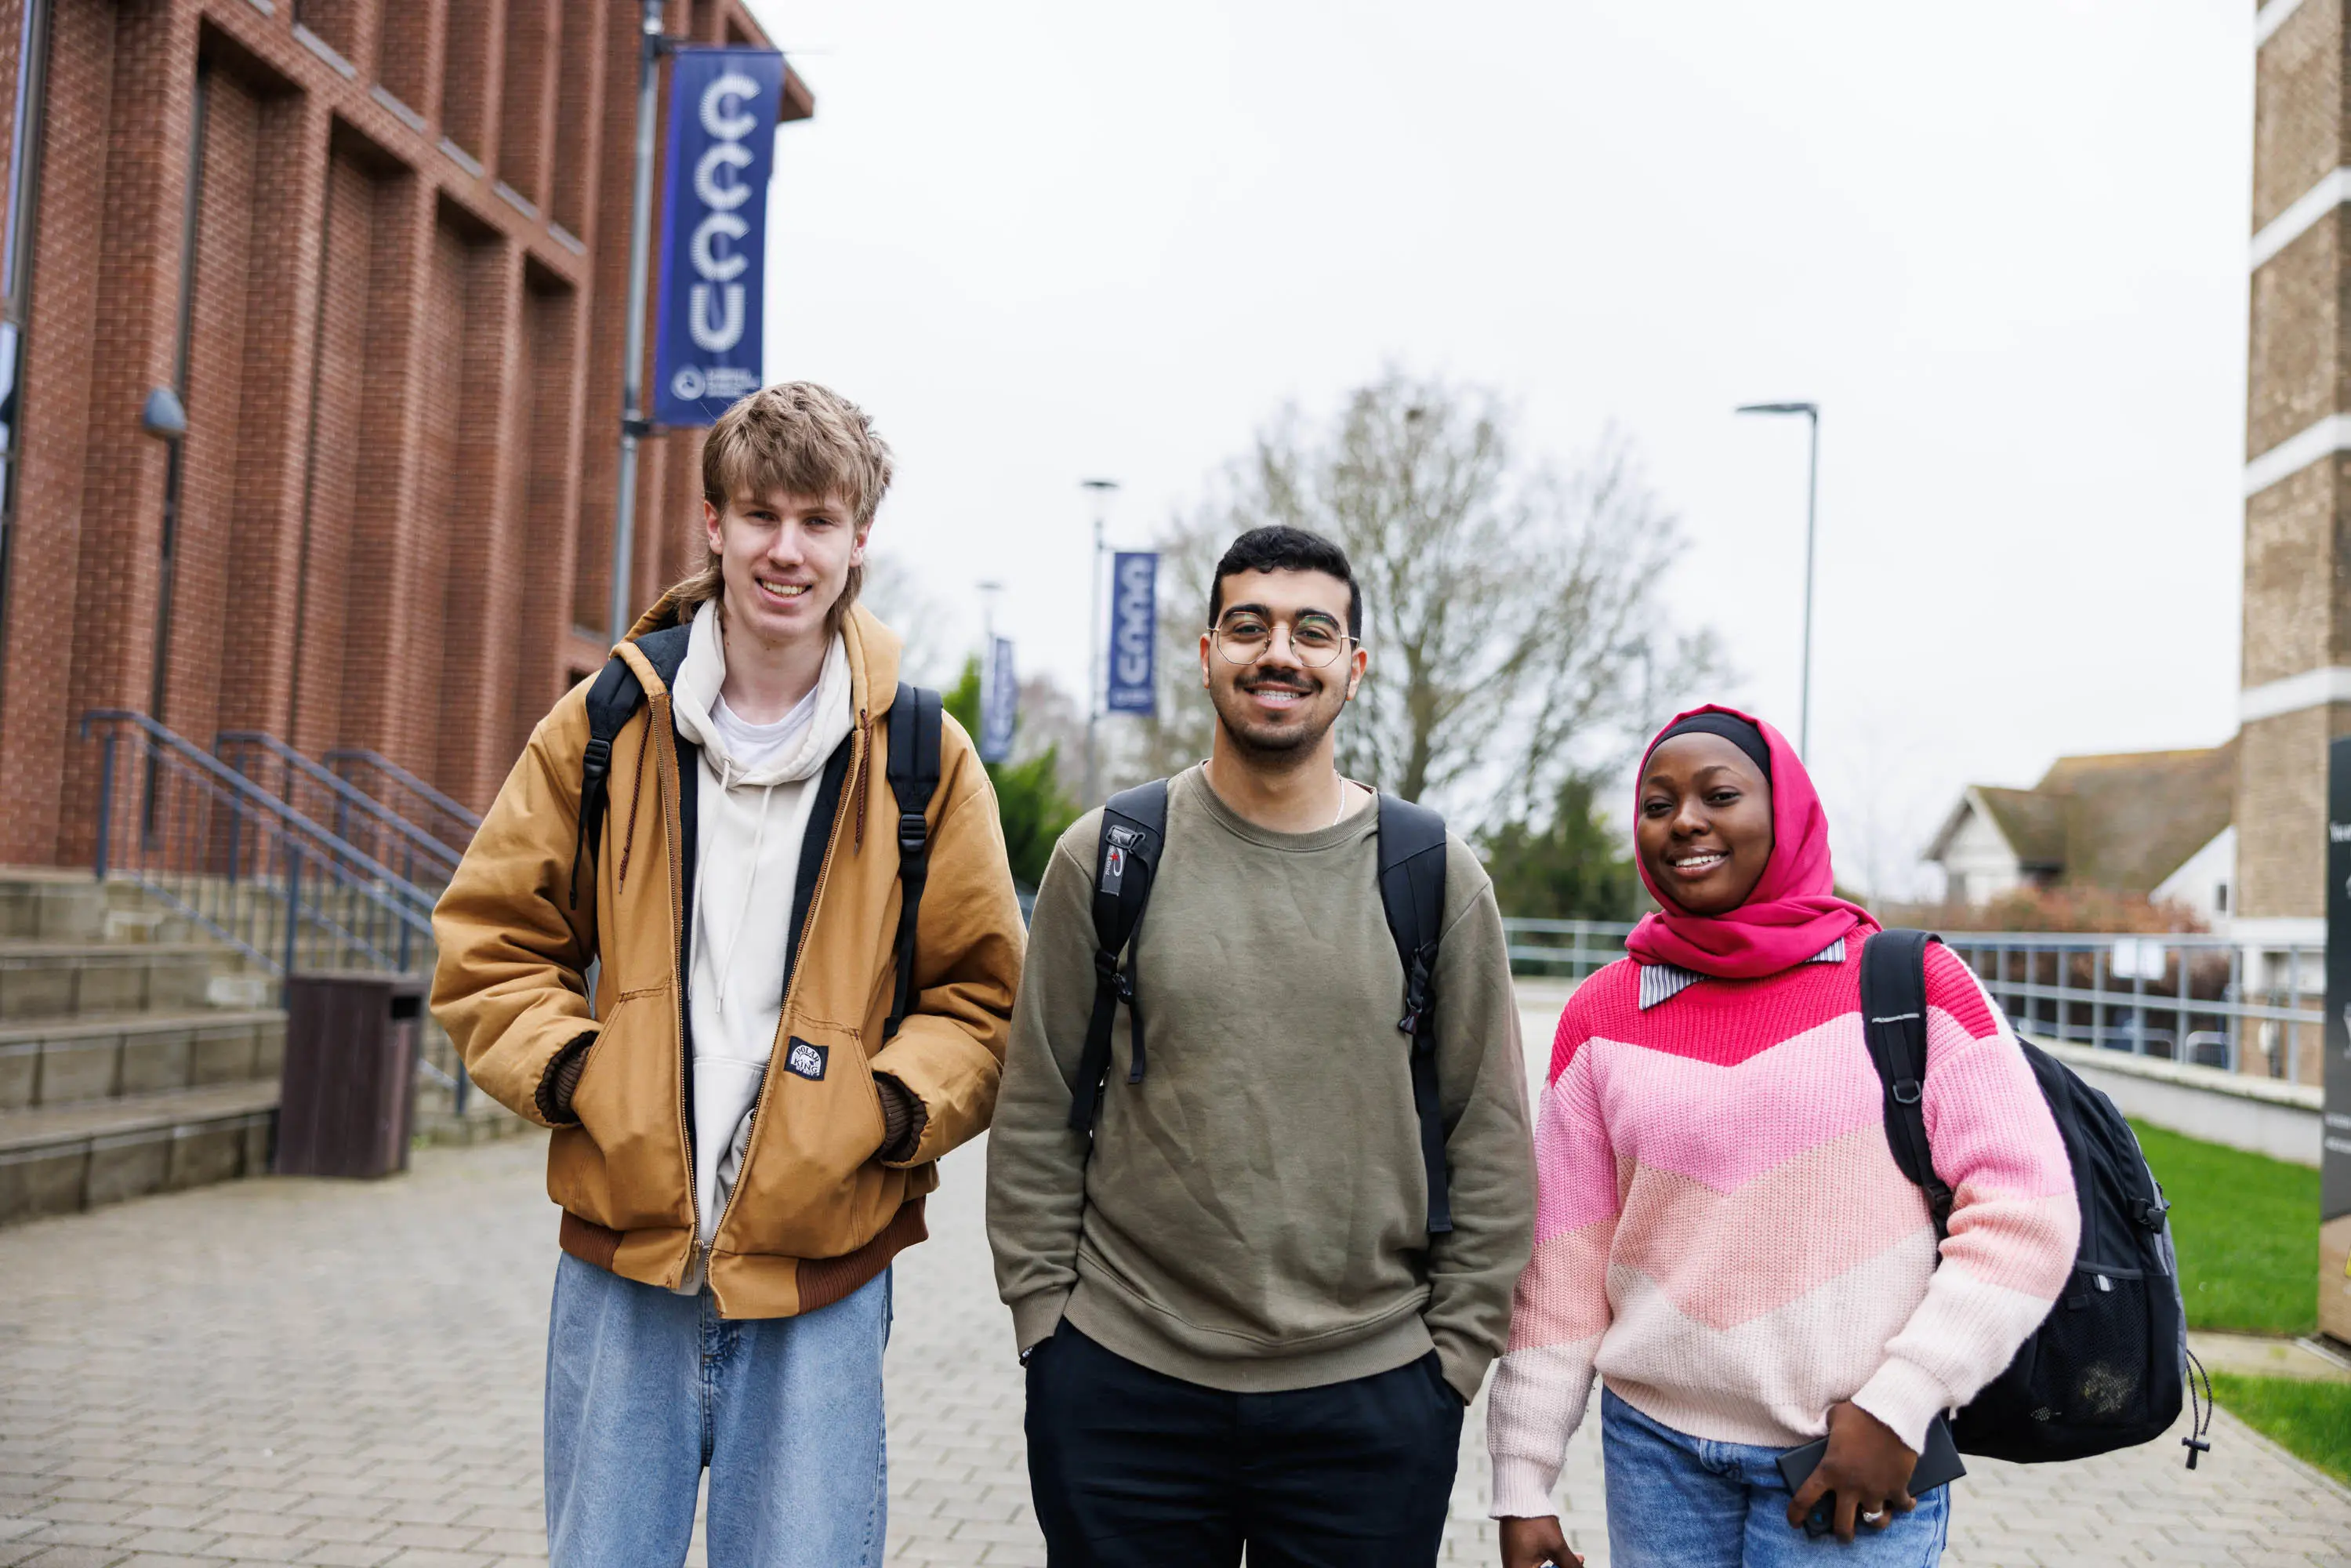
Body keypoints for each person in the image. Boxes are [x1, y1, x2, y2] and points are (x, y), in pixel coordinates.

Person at [430, 382, 1025, 1568]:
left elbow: (980, 996)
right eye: (760, 517)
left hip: (824, 1277)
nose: (785, 550)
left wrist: (885, 1109)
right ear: (712, 525)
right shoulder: (603, 722)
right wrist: (582, 1075)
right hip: (622, 1272)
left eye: (816, 522)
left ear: (860, 541)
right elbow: (489, 940)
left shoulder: (921, 755)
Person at [987, 524, 1536, 1568]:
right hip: (1120, 1381)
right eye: (1248, 626)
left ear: (1352, 668)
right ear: (1205, 653)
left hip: (1368, 1398)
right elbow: (1036, 1108)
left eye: (1310, 632)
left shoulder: (1432, 874)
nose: (1277, 653)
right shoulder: (1107, 856)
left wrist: (1450, 1362)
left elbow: (1491, 1133)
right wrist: (1044, 1327)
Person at [1485, 706, 2080, 1568]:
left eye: (1718, 793)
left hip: (1851, 1457)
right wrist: (1522, 1474)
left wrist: (1899, 1404)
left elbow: (2026, 1214)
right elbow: (1564, 1262)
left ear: (1786, 811)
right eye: (1657, 803)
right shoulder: (1600, 1014)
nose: (1683, 819)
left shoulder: (1915, 983)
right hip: (1655, 1455)